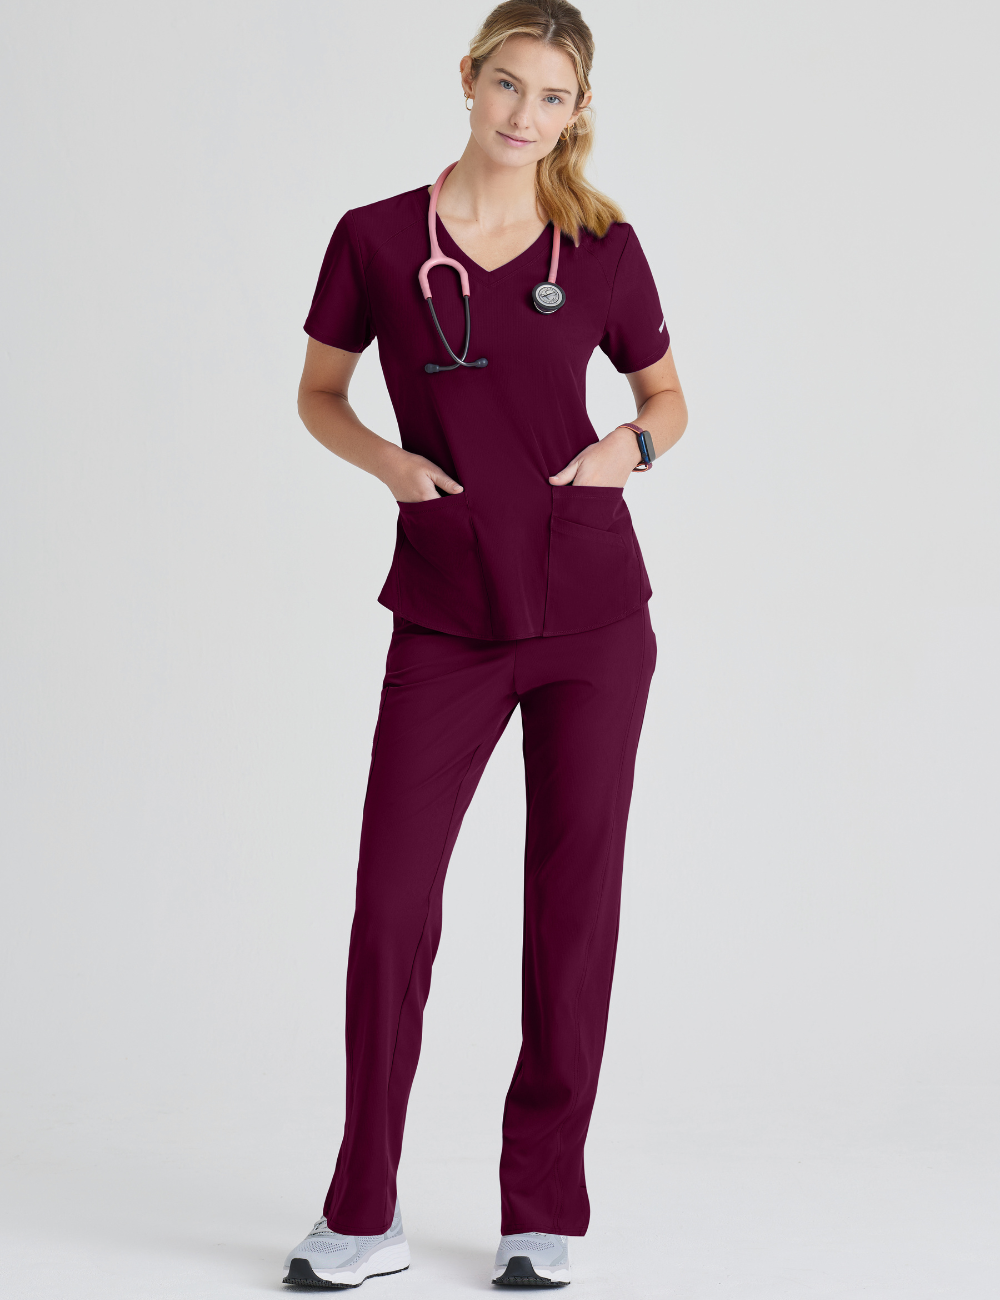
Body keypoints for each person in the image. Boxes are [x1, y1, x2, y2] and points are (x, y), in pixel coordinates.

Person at [282, 0, 688, 1288]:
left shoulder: (602, 245)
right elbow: (319, 393)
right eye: (509, 85)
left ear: (578, 111)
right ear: (468, 79)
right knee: (391, 908)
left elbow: (668, 399)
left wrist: (630, 449)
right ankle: (362, 1213)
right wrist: (388, 464)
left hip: (593, 612)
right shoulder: (375, 238)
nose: (525, 115)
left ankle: (541, 1210)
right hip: (448, 607)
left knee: (572, 912)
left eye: (553, 97)